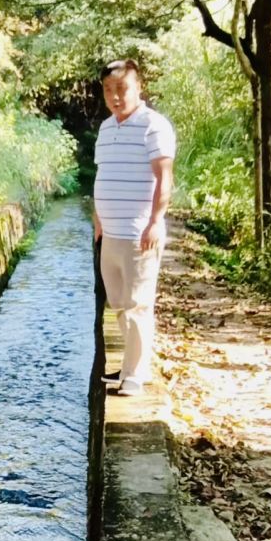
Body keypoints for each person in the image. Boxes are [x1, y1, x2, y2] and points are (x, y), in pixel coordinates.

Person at [93, 59, 176, 396]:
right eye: (109, 90)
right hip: (110, 234)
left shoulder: (153, 125)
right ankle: (128, 368)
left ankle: (136, 377)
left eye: (122, 89)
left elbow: (164, 176)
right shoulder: (105, 128)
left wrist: (156, 222)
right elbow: (103, 174)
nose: (115, 96)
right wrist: (98, 218)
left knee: (138, 304)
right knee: (118, 303)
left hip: (139, 233)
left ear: (138, 86)